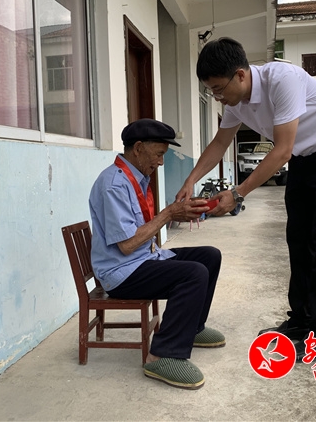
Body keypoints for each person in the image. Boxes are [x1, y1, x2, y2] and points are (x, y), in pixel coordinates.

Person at [176, 37, 316, 362]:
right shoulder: (235, 102)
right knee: (298, 241)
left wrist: (238, 194)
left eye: (218, 89)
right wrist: (191, 179)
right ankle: (300, 321)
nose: (217, 97)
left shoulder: (282, 80)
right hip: (304, 158)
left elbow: (282, 150)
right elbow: (220, 143)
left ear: (240, 75)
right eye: (211, 91)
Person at [89, 118, 225, 390]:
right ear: (138, 148)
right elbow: (127, 245)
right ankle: (162, 356)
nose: (161, 162)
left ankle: (192, 329)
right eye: (159, 154)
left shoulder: (136, 179)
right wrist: (168, 214)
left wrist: (182, 212)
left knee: (209, 256)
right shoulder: (114, 184)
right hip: (121, 273)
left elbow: (138, 234)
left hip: (143, 260)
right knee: (193, 274)